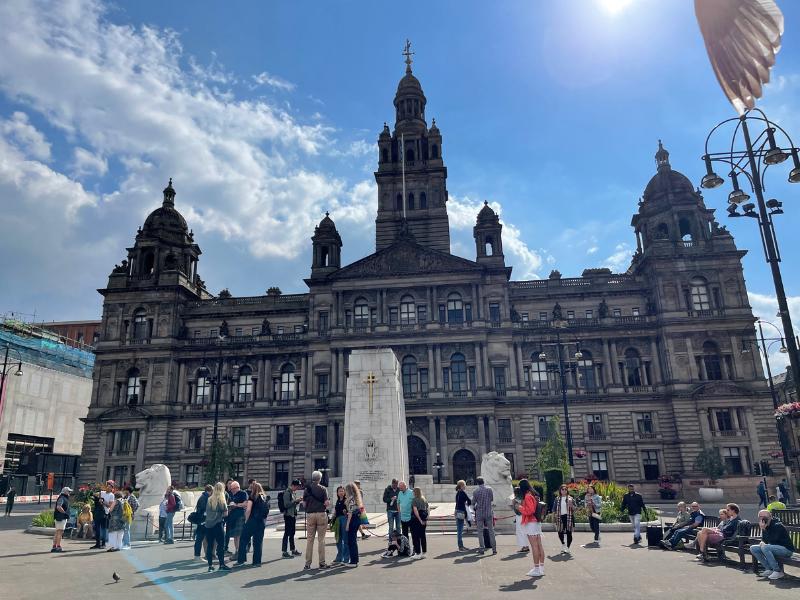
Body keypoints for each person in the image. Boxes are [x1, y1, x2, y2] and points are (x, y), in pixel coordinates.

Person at [751, 509, 795, 580]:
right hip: (773, 548)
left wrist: (764, 529)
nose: (761, 518)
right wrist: (762, 541)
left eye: (762, 516)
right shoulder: (766, 526)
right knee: (753, 548)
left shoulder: (777, 525)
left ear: (769, 517)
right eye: (759, 517)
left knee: (766, 547)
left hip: (786, 550)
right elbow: (765, 540)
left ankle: (777, 571)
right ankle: (769, 569)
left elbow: (773, 540)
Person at [517, 479, 545, 577]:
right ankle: (541, 568)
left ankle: (536, 568)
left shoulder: (527, 496)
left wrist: (520, 508)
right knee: (539, 545)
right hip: (536, 522)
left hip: (531, 523)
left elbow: (530, 510)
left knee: (534, 547)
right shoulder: (533, 494)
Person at [236, 482, 268, 567]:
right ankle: (257, 562)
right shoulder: (264, 497)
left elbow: (248, 510)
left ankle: (241, 560)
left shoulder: (252, 497)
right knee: (258, 542)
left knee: (243, 540)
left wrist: (246, 520)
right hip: (261, 522)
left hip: (252, 521)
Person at [303, 470, 330, 569]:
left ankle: (307, 563)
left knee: (310, 539)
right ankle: (322, 563)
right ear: (319, 478)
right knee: (321, 539)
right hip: (321, 514)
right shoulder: (323, 489)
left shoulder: (307, 489)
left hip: (310, 514)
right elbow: (326, 503)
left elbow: (304, 504)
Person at [203, 482, 231, 572]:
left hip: (208, 525)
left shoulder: (209, 499)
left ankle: (210, 566)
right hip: (218, 524)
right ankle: (221, 564)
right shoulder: (222, 499)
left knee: (210, 545)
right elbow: (225, 513)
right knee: (220, 545)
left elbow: (207, 512)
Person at [472, 476, 496, 555]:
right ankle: (494, 549)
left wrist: (476, 506)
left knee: (480, 532)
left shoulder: (475, 491)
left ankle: (481, 548)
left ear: (477, 483)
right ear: (483, 482)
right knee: (491, 531)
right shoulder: (489, 489)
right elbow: (491, 499)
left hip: (479, 513)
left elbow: (473, 503)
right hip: (488, 512)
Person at [281, 479, 302, 558]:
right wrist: (295, 501)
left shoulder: (293, 492)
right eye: (297, 486)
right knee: (287, 533)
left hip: (292, 514)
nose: (297, 488)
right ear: (293, 485)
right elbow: (286, 504)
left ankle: (292, 550)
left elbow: (292, 504)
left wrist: (297, 501)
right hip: (288, 515)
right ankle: (284, 551)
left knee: (292, 533)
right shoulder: (287, 493)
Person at [225, 481, 248, 555]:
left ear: (237, 488)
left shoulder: (243, 493)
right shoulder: (231, 494)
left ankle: (241, 550)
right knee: (235, 535)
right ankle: (237, 550)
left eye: (233, 489)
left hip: (240, 515)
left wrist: (236, 505)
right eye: (231, 489)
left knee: (239, 535)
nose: (231, 491)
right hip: (232, 516)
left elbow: (245, 504)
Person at [344, 481, 363, 568]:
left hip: (352, 520)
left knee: (351, 541)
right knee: (353, 541)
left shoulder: (351, 499)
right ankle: (355, 560)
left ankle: (353, 561)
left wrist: (347, 524)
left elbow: (350, 512)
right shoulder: (357, 497)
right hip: (357, 519)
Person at [552, 484, 575, 554]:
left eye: (565, 489)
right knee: (560, 532)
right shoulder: (557, 499)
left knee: (569, 533)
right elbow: (554, 509)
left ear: (567, 490)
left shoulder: (571, 498)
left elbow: (575, 508)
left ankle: (568, 547)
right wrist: (553, 518)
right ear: (560, 490)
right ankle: (563, 544)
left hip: (569, 517)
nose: (564, 491)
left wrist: (572, 505)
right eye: (563, 489)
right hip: (560, 517)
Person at [193, 484, 213, 559]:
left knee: (200, 538)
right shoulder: (205, 498)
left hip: (201, 520)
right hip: (203, 521)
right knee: (200, 538)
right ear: (210, 491)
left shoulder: (202, 497)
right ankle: (197, 555)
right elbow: (204, 510)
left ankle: (198, 555)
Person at [332, 485, 350, 565]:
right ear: (337, 493)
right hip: (337, 520)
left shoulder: (346, 500)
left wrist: (345, 512)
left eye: (342, 491)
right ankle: (339, 557)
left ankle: (346, 558)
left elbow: (349, 511)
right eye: (339, 491)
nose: (341, 492)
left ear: (345, 492)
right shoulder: (338, 500)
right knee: (338, 539)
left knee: (345, 540)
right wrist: (332, 518)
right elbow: (336, 511)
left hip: (344, 519)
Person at [410, 487, 429, 558]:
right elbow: (428, 509)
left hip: (417, 520)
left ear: (415, 492)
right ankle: (424, 553)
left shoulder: (414, 500)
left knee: (416, 536)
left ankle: (418, 553)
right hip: (424, 517)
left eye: (413, 492)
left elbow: (415, 511)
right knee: (423, 536)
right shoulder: (424, 499)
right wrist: (426, 518)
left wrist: (420, 520)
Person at [52, 486, 72, 553]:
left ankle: (54, 546)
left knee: (57, 532)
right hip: (61, 518)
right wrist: (65, 513)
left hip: (59, 517)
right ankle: (58, 546)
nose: (70, 493)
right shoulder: (62, 498)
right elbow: (58, 507)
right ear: (65, 492)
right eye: (69, 491)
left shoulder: (62, 497)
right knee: (60, 532)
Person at [454, 479, 471, 551]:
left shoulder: (457, 493)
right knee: (460, 530)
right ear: (461, 486)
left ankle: (460, 546)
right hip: (461, 512)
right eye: (464, 485)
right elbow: (469, 501)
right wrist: (467, 504)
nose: (465, 486)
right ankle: (460, 547)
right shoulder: (463, 493)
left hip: (457, 511)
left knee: (459, 529)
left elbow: (457, 503)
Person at [512, 486, 530, 553]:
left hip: (520, 516)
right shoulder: (524, 498)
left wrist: (513, 503)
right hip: (524, 515)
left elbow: (516, 508)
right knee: (524, 531)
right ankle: (525, 546)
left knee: (521, 531)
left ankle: (525, 546)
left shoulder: (516, 499)